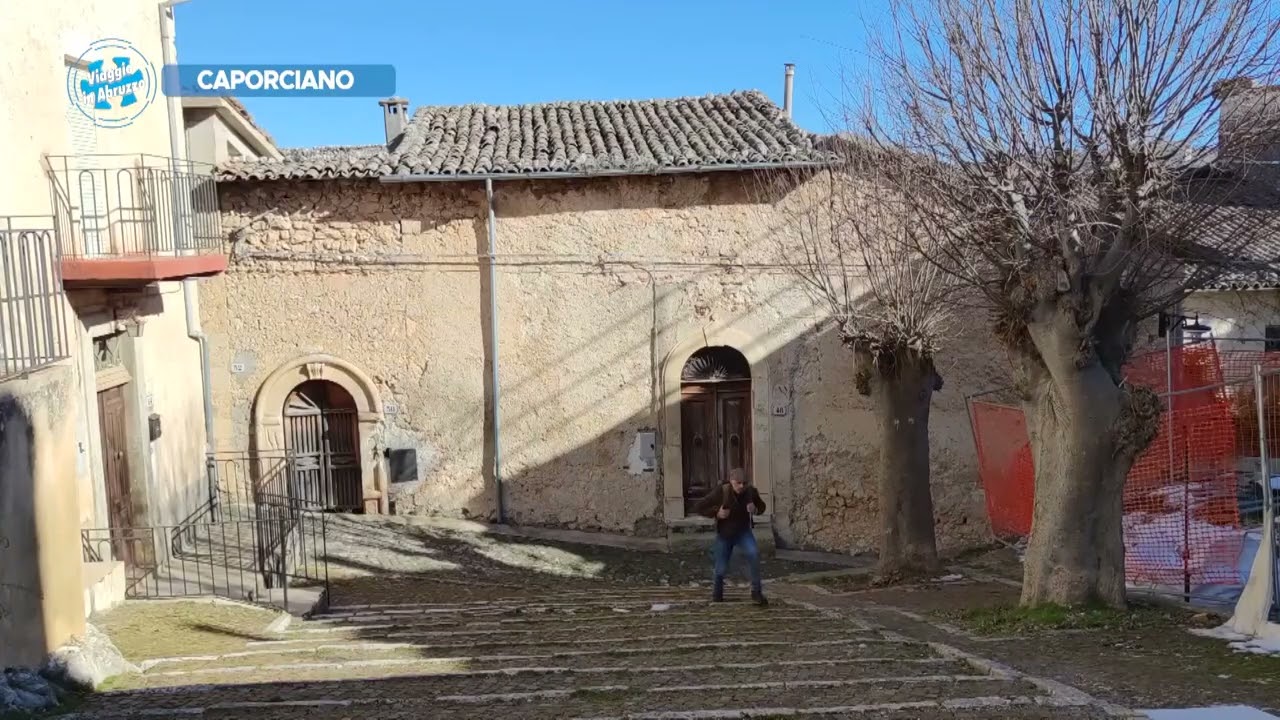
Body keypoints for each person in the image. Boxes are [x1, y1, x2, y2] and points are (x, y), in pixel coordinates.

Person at [694, 468, 767, 605]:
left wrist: (755, 509)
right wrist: (717, 513)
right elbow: (699, 507)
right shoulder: (722, 491)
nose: (741, 486)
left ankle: (756, 593)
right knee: (720, 567)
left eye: (744, 483)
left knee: (754, 554)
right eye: (738, 483)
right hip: (725, 534)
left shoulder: (750, 492)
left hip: (743, 532)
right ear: (731, 481)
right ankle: (717, 594)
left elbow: (762, 507)